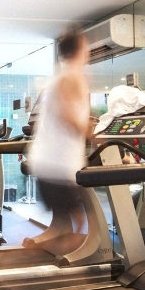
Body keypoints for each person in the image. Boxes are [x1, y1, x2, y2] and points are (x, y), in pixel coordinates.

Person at [23, 29, 94, 246]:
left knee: (65, 219)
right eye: (86, 46)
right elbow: (68, 115)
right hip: (60, 165)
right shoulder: (73, 77)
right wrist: (95, 135)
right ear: (80, 50)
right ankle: (76, 252)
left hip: (46, 163)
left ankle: (56, 240)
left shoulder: (57, 79)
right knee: (80, 219)